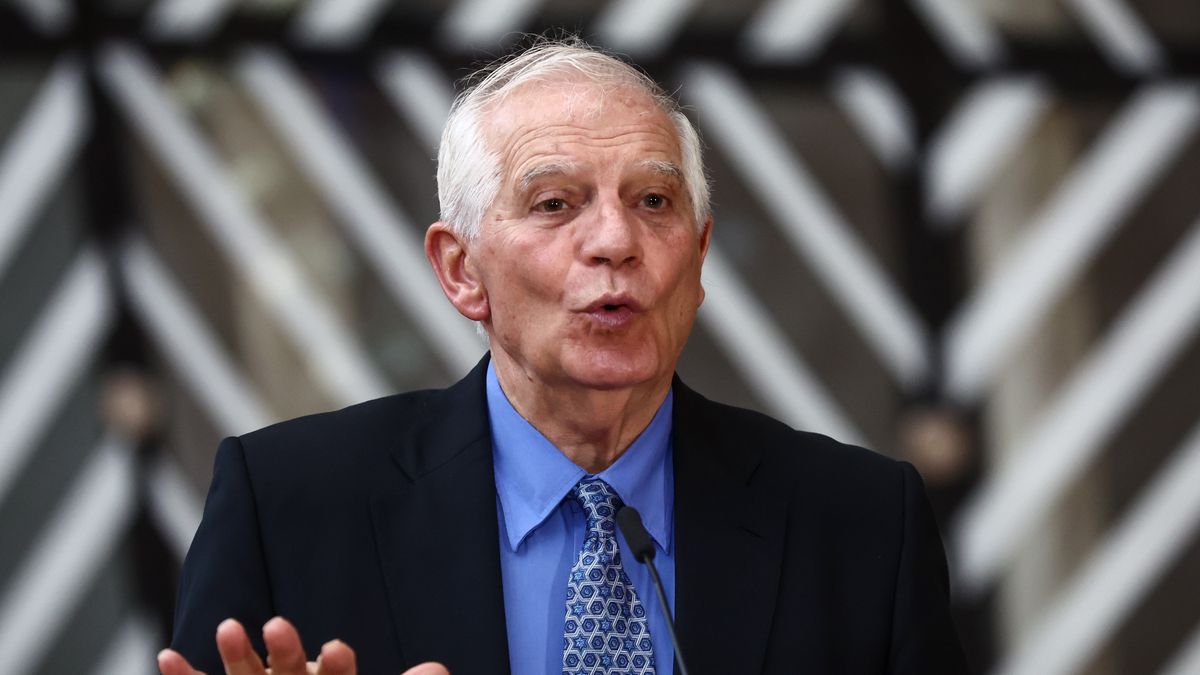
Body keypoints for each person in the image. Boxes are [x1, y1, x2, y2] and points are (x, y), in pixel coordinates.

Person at [158, 37, 967, 675]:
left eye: (653, 200)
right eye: (555, 203)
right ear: (461, 270)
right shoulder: (288, 507)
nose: (615, 239)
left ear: (698, 259)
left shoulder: (861, 524)